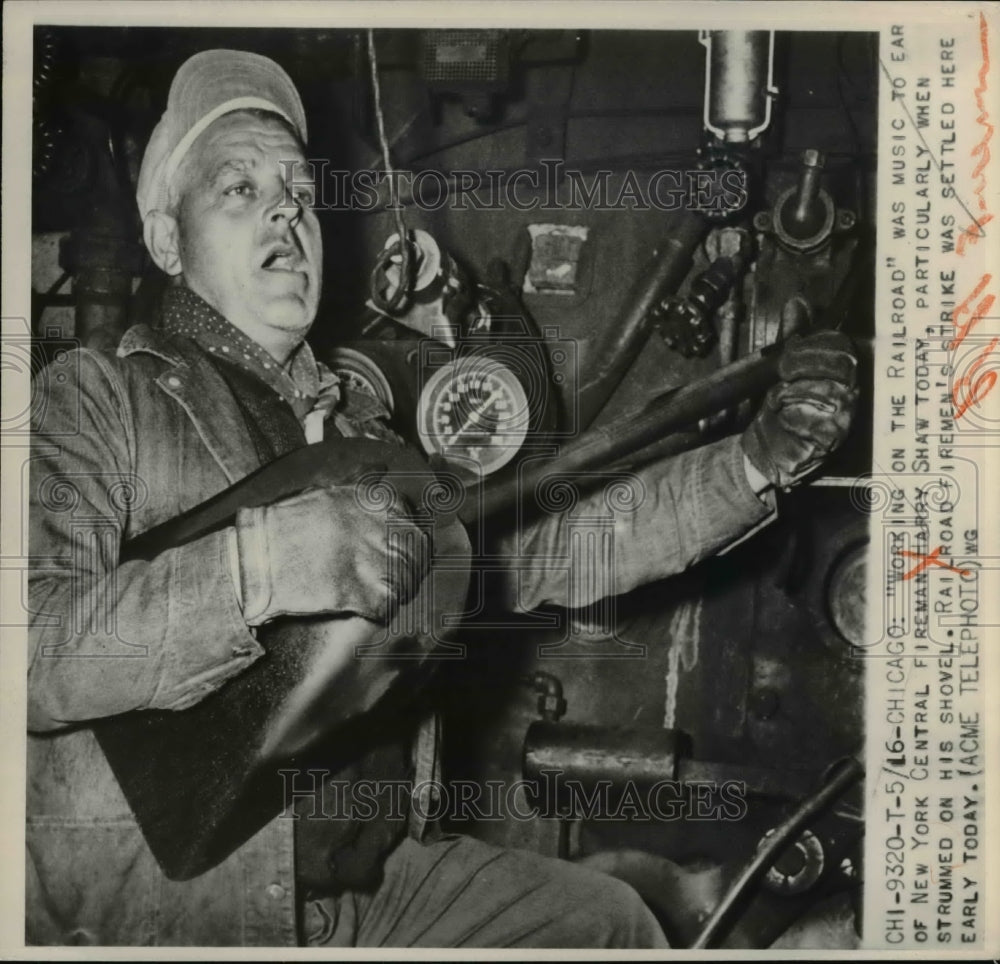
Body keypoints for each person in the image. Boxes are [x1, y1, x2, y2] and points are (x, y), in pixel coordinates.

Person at [26, 49, 859, 948]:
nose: (286, 211)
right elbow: (26, 651)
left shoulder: (365, 438)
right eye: (239, 189)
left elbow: (561, 550)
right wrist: (258, 568)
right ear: (163, 238)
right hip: (181, 909)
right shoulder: (101, 398)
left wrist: (753, 465)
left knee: (601, 925)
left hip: (365, 890)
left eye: (302, 193)